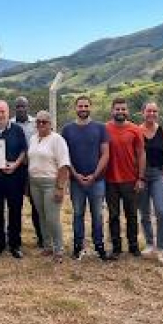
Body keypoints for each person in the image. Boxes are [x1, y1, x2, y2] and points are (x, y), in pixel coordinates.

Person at [61, 96, 110, 260]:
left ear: (91, 107)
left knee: (97, 215)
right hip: (76, 181)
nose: (83, 108)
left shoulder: (100, 128)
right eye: (80, 106)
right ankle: (77, 246)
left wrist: (94, 175)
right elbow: (65, 156)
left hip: (97, 181)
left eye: (86, 106)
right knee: (78, 214)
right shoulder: (67, 130)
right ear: (75, 108)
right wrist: (75, 175)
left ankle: (99, 246)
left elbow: (105, 154)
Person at [0, 100, 28, 258]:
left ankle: (15, 245)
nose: (0, 115)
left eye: (2, 112)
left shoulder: (17, 130)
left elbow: (23, 150)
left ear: (8, 113)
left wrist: (15, 165)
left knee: (15, 211)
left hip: (15, 177)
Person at [104, 98, 146, 258]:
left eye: (123, 109)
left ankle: (133, 246)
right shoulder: (105, 129)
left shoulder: (135, 130)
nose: (120, 112)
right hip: (110, 180)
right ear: (112, 111)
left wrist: (141, 178)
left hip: (130, 179)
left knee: (132, 214)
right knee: (113, 215)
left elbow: (141, 154)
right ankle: (116, 247)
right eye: (117, 109)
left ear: (127, 111)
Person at [27, 110, 71, 262]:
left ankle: (59, 249)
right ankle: (47, 246)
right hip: (35, 183)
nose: (40, 124)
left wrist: (60, 187)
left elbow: (64, 165)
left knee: (52, 218)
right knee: (42, 216)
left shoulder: (57, 140)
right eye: (38, 121)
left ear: (50, 124)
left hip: (50, 183)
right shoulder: (33, 138)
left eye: (44, 122)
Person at [138, 102, 163, 264]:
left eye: (154, 111)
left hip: (158, 174)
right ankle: (150, 244)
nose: (151, 113)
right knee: (144, 212)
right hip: (141, 176)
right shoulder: (137, 131)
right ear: (142, 113)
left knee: (162, 211)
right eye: (148, 111)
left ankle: (162, 247)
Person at [13, 96, 43, 248]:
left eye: (23, 106)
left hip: (33, 168)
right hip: (15, 169)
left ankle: (41, 237)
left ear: (27, 107)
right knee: (15, 204)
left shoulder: (35, 124)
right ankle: (15, 238)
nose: (20, 109)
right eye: (18, 106)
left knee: (36, 204)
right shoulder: (10, 124)